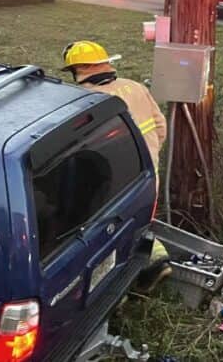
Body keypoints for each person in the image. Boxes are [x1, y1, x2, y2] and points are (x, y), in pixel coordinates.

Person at [62, 40, 170, 288]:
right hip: (149, 171)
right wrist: (151, 154)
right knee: (143, 218)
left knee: (114, 229)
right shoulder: (135, 87)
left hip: (114, 179)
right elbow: (161, 126)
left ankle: (133, 275)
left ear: (78, 70)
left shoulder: (88, 99)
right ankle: (158, 262)